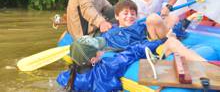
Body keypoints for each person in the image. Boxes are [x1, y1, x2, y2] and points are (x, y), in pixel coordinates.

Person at [57, 35, 206, 92]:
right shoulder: (109, 67)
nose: (104, 50)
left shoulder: (66, 77)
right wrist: (161, 41)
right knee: (172, 42)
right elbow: (133, 51)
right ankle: (207, 65)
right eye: (100, 50)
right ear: (93, 60)